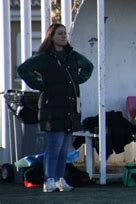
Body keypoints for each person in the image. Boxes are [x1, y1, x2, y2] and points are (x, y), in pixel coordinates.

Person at [17, 23, 94, 192]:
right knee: (54, 146)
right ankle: (48, 180)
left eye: (65, 33)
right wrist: (39, 84)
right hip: (52, 106)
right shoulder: (44, 57)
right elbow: (23, 69)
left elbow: (89, 66)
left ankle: (60, 179)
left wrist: (76, 80)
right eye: (60, 34)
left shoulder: (73, 56)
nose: (64, 36)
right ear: (51, 37)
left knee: (65, 148)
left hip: (70, 106)